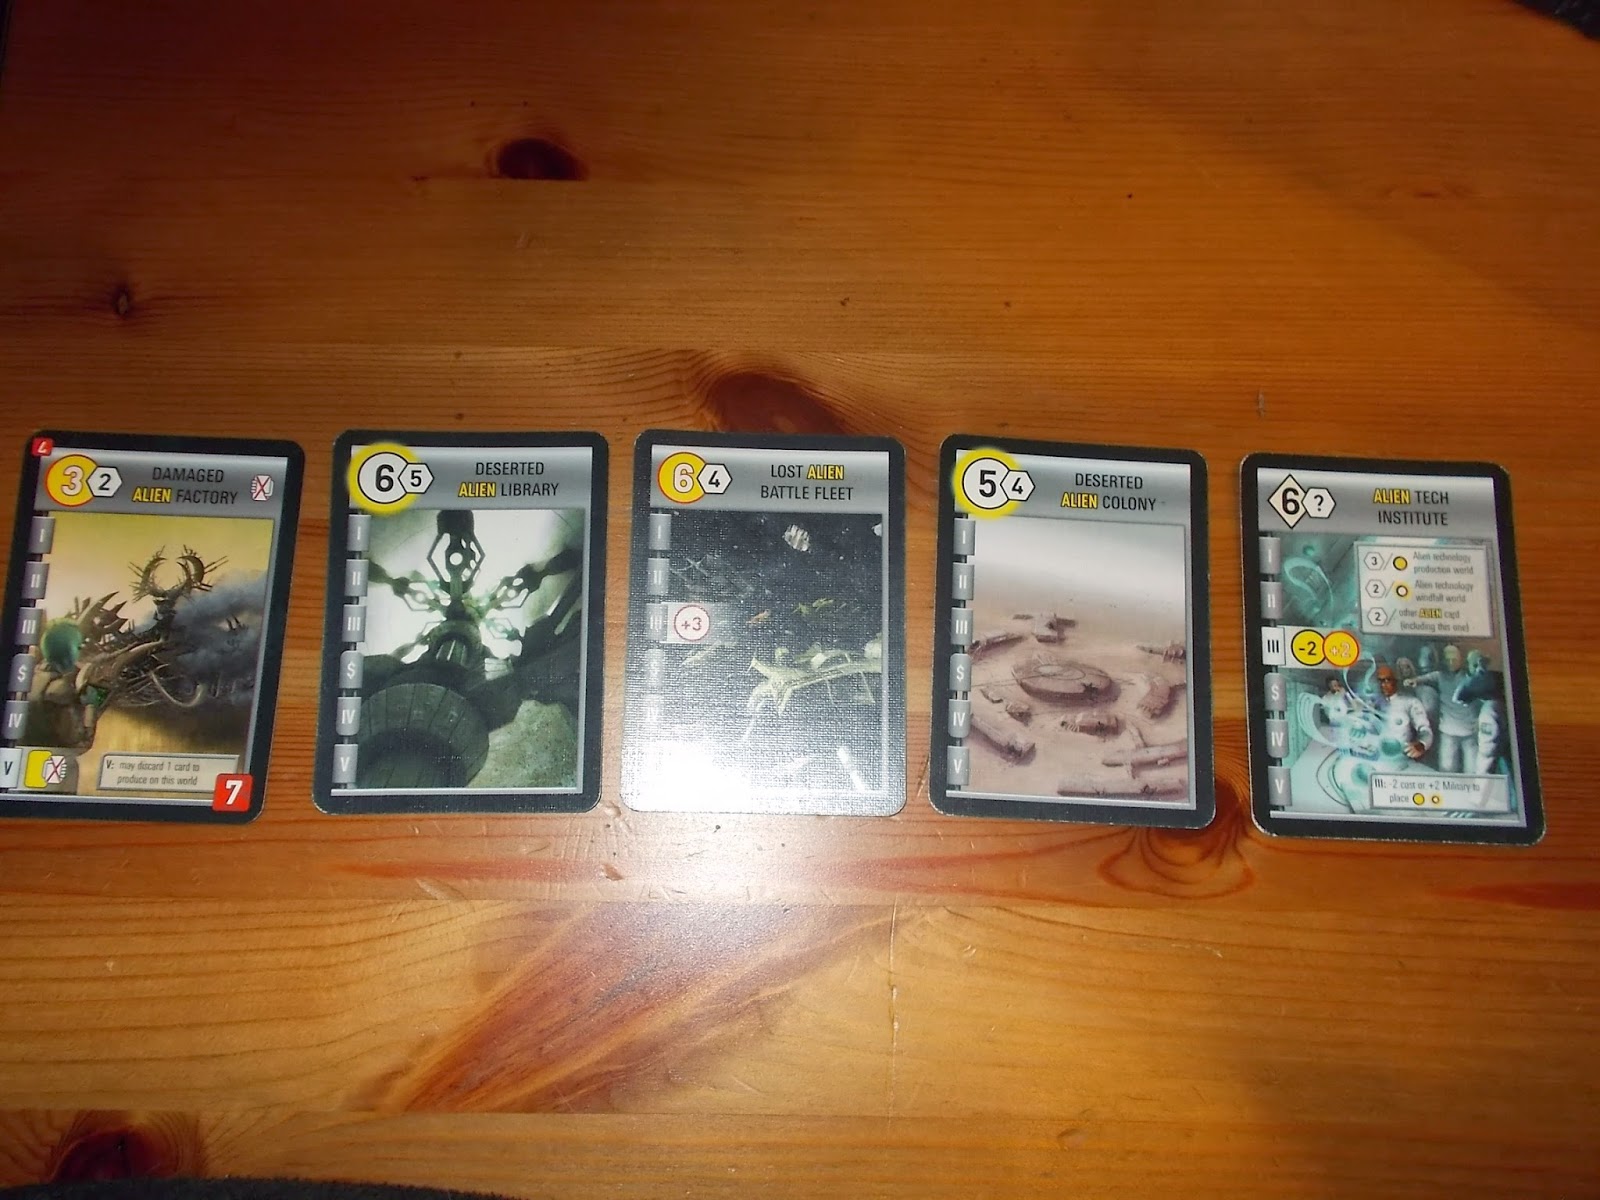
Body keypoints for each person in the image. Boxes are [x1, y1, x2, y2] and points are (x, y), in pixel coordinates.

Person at [1407, 644, 1471, 771]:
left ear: (1460, 659)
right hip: (1447, 732)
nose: (1451, 662)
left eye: (1454, 659)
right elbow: (1424, 678)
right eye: (1448, 659)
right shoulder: (1439, 676)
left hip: (1469, 732)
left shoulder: (1470, 678)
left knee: (1473, 771)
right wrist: (1413, 681)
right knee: (1446, 769)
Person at [1376, 663, 1432, 762]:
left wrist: (1422, 744)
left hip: (1403, 757)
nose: (1383, 685)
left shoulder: (1410, 702)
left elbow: (1424, 728)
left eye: (1387, 680)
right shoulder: (1376, 702)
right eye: (1380, 681)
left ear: (1395, 681)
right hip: (1379, 757)